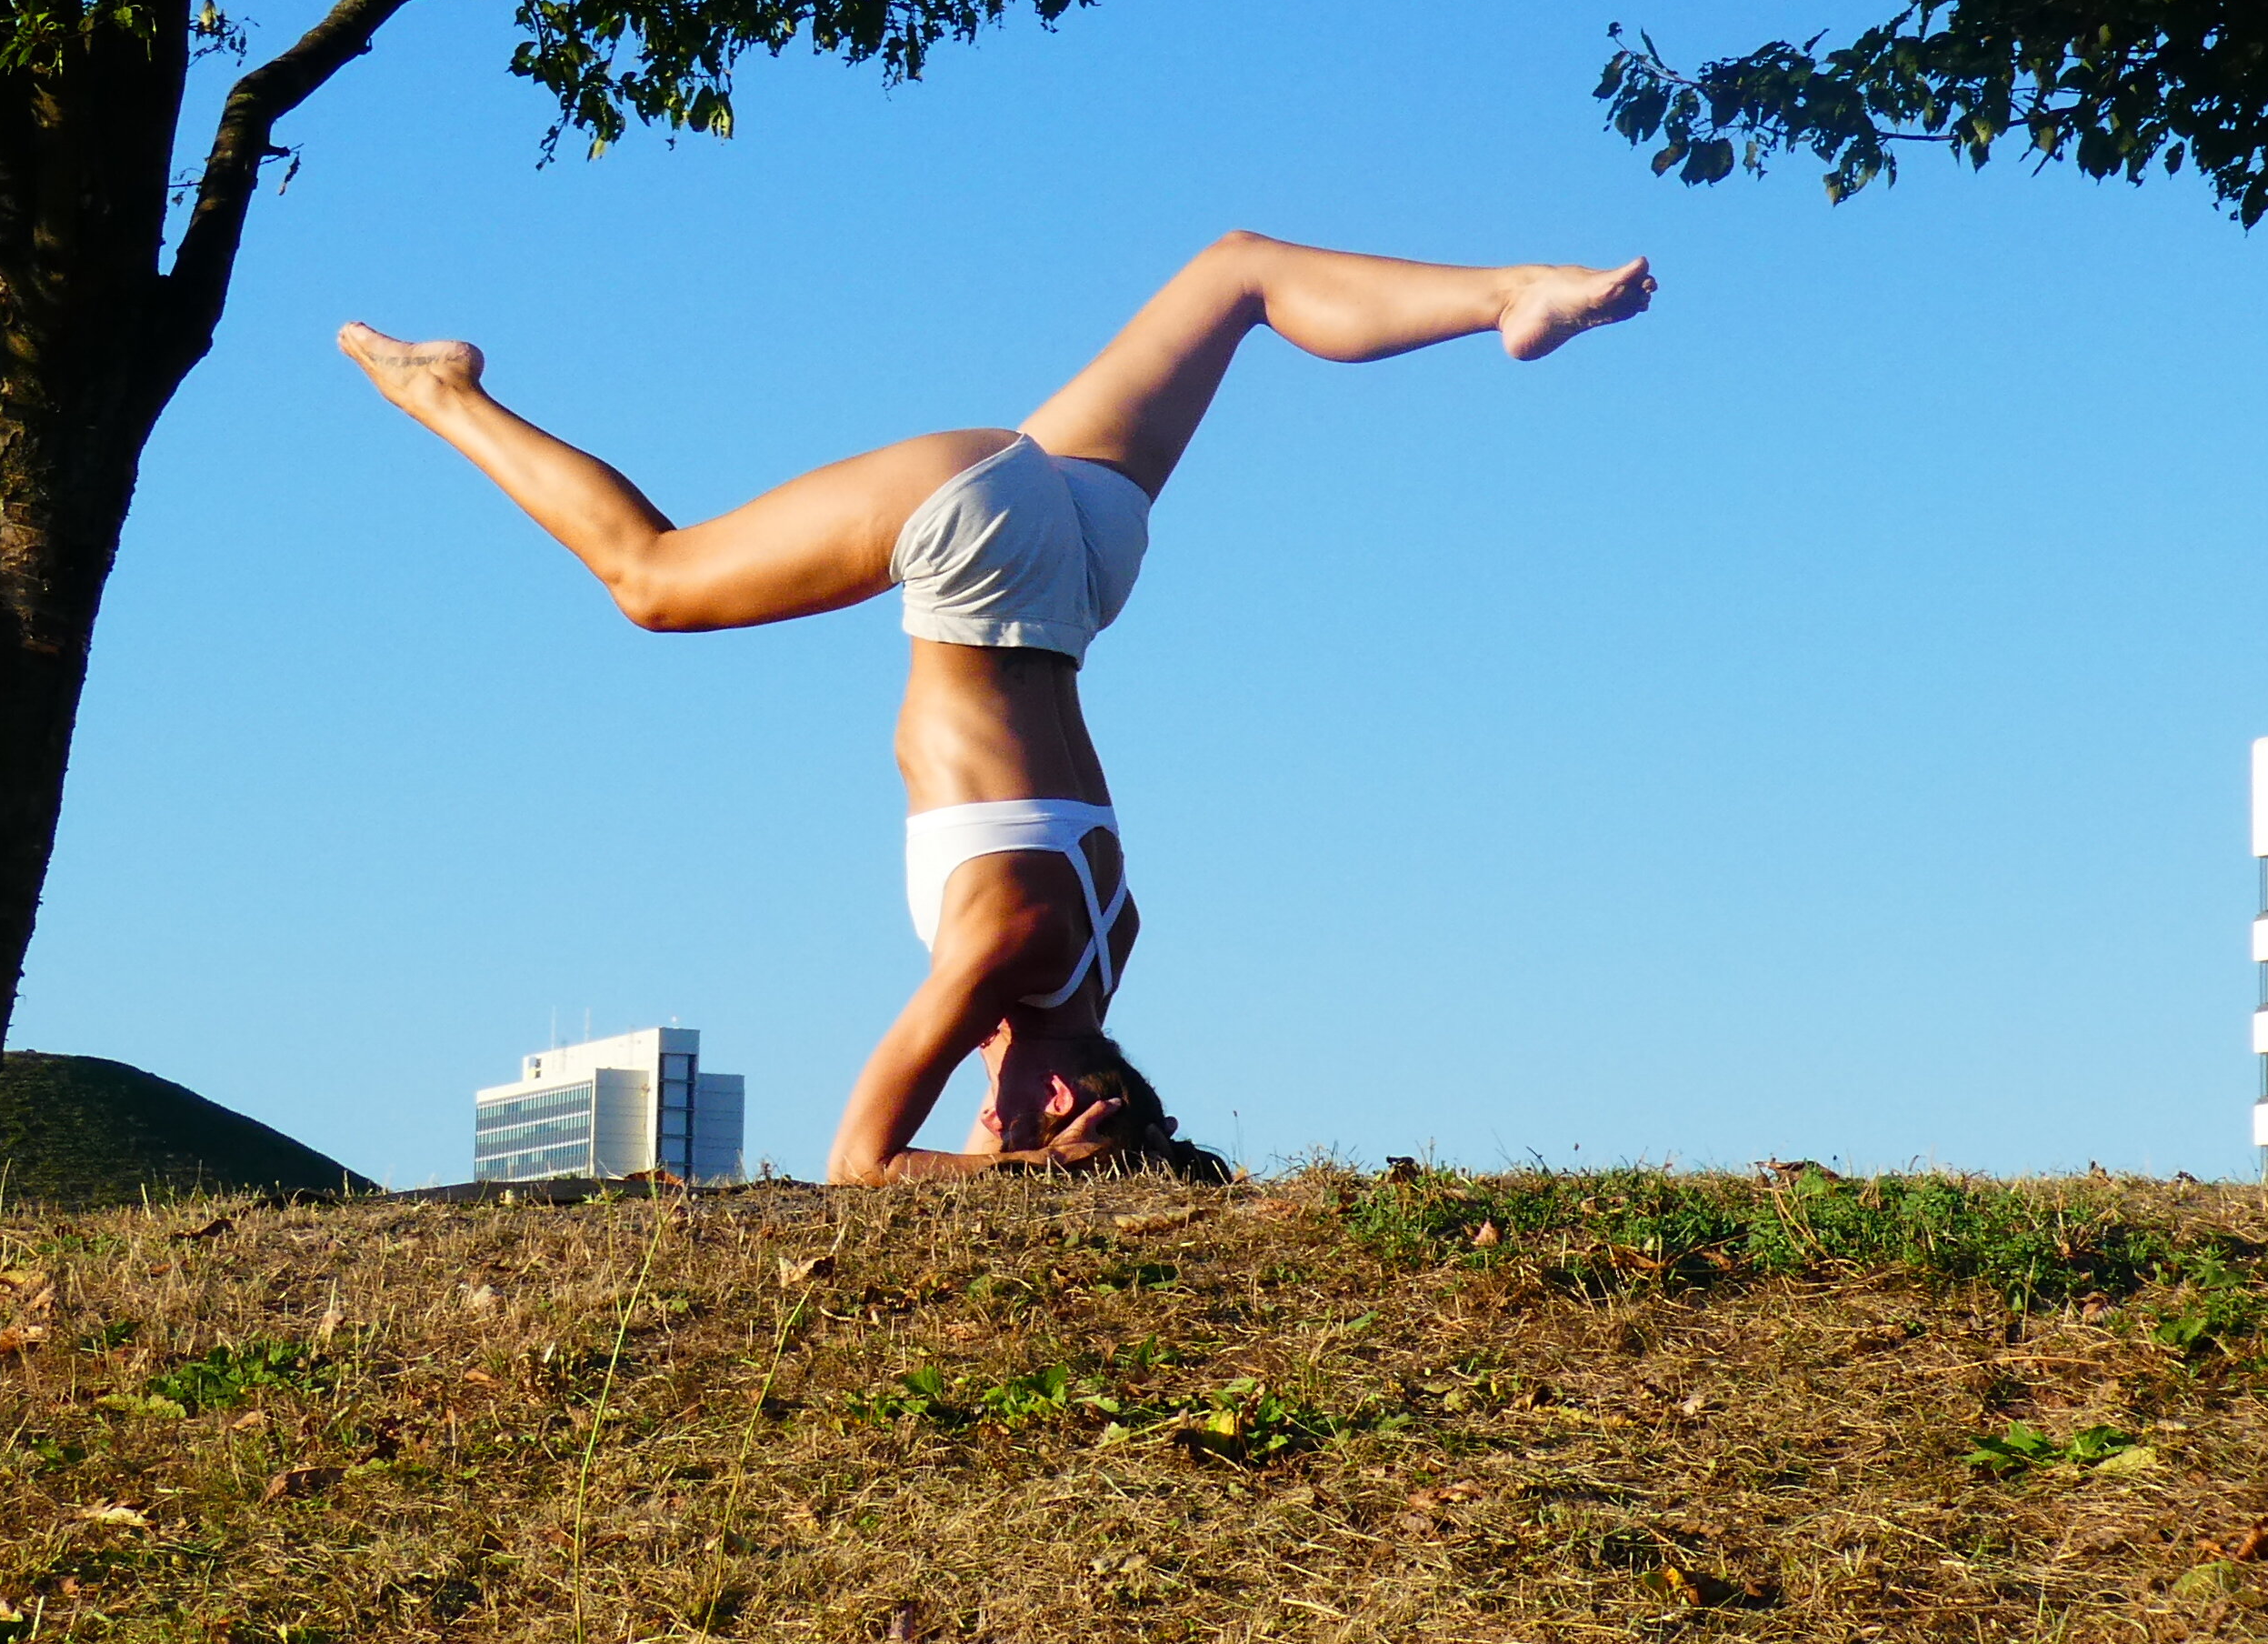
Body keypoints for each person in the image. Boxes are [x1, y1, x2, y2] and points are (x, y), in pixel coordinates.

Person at [343, 230, 1654, 1179]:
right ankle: (441, 392)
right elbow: (859, 1168)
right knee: (653, 580)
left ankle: (1508, 295)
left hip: (1079, 567)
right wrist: (1014, 1179)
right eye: (1010, 1120)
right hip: (971, 542)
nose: (981, 1115)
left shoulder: (1103, 946)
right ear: (1078, 1094)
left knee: (1234, 275)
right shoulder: (1002, 965)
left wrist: (1056, 1153)